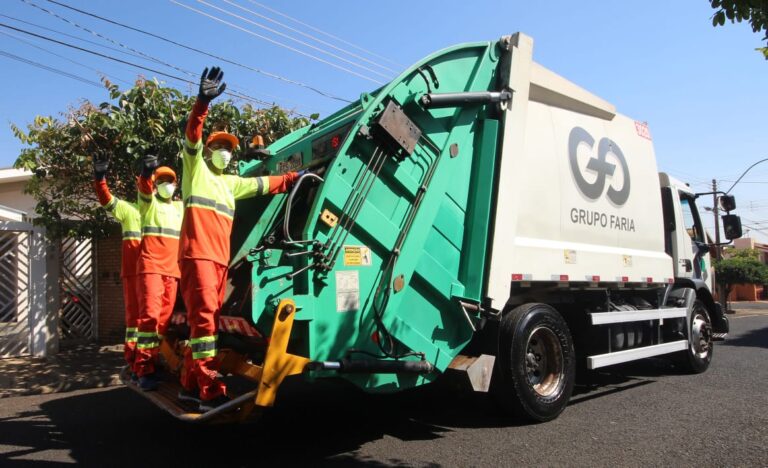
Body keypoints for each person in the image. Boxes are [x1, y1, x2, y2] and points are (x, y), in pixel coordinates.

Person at [178, 66, 302, 410]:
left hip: (218, 261)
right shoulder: (196, 171)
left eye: (229, 148)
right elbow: (191, 136)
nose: (225, 152)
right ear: (209, 150)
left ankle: (189, 384)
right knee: (204, 327)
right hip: (199, 257)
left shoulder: (231, 184)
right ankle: (209, 389)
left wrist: (294, 177)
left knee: (205, 325)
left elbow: (263, 184)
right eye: (219, 146)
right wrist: (202, 102)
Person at [133, 155, 184, 391]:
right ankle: (143, 370)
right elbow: (144, 188)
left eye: (170, 180)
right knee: (150, 320)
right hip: (152, 269)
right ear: (155, 183)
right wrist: (145, 173)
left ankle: (149, 364)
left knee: (162, 323)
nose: (166, 184)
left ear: (176, 184)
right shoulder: (149, 203)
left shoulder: (180, 207)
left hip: (172, 272)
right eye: (161, 180)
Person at [92, 159, 142, 377]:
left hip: (162, 273)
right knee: (135, 322)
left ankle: (150, 363)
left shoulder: (171, 210)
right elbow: (107, 200)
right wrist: (100, 179)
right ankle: (136, 364)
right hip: (135, 274)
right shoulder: (130, 210)